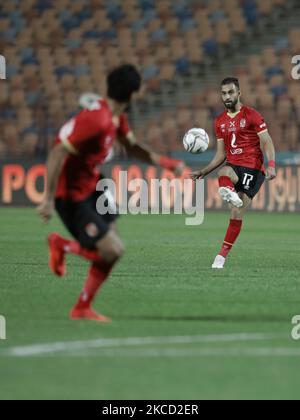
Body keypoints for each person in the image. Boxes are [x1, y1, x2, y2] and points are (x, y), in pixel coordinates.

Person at [37, 64, 184, 321]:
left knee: (111, 249)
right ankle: (62, 246)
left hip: (94, 185)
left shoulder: (115, 118)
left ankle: (82, 307)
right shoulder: (97, 121)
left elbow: (133, 147)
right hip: (71, 195)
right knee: (112, 251)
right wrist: (48, 199)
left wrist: (168, 164)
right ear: (132, 96)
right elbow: (58, 152)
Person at [191, 77, 276, 269]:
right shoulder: (219, 121)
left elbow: (267, 141)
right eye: (223, 93)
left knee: (236, 213)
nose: (227, 96)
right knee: (224, 171)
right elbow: (221, 154)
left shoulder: (252, 115)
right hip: (234, 166)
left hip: (253, 169)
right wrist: (204, 172)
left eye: (230, 92)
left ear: (239, 93)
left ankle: (221, 256)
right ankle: (228, 191)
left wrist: (271, 164)